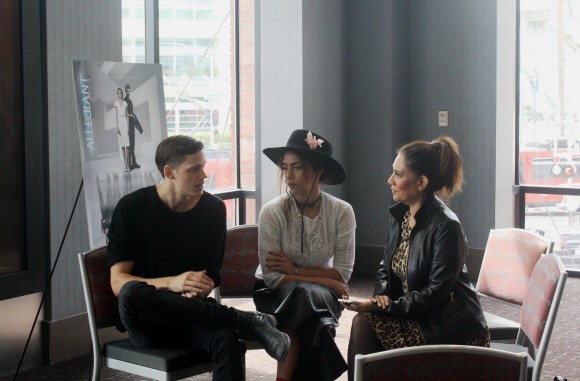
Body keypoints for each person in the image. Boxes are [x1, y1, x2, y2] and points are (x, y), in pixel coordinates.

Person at [107, 135, 290, 381]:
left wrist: (200, 288)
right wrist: (174, 282)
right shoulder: (132, 208)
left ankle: (238, 321)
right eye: (194, 169)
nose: (204, 175)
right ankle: (245, 319)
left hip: (194, 314)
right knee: (132, 292)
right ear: (169, 172)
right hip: (147, 321)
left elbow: (211, 273)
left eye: (203, 166)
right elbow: (118, 283)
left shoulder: (212, 209)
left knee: (227, 338)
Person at [344, 136, 489, 381]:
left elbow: (436, 296)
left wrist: (385, 308)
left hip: (449, 325)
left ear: (421, 182)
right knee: (365, 323)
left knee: (365, 325)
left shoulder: (447, 227)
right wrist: (382, 296)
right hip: (418, 314)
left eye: (398, 175)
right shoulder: (400, 215)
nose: (390, 181)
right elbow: (385, 266)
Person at [255, 129, 356, 381]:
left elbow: (342, 273)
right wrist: (329, 282)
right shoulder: (272, 213)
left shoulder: (342, 212)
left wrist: (295, 270)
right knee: (308, 304)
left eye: (297, 167)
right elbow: (272, 278)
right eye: (285, 167)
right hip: (276, 295)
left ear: (319, 170)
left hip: (318, 295)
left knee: (307, 299)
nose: (288, 175)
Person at [124, 84, 141, 170]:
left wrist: (137, 125)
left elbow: (131, 113)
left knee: (132, 145)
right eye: (127, 91)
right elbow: (125, 114)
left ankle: (134, 163)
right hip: (127, 125)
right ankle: (130, 164)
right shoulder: (124, 101)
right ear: (125, 91)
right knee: (130, 145)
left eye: (129, 90)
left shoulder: (130, 101)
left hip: (132, 124)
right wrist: (132, 116)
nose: (128, 92)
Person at [114, 87, 130, 172]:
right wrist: (117, 127)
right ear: (117, 94)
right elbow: (116, 115)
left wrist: (127, 126)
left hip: (124, 122)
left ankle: (128, 164)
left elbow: (127, 115)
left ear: (122, 94)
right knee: (122, 146)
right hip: (120, 123)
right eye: (118, 93)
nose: (120, 94)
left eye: (121, 93)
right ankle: (125, 164)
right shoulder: (116, 103)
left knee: (127, 145)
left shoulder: (125, 103)